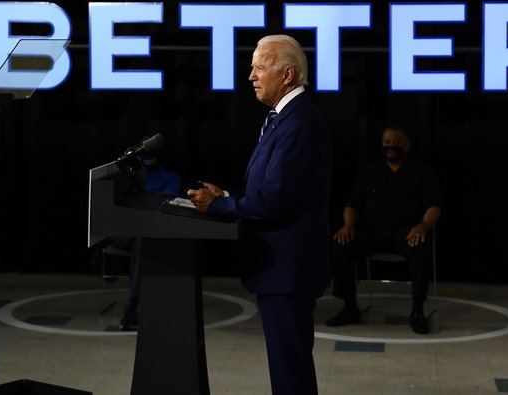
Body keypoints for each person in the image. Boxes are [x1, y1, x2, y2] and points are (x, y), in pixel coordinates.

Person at [188, 34, 331, 395]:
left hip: (287, 270)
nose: (251, 76)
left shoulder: (298, 123)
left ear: (287, 75)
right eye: (252, 67)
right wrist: (229, 195)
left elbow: (272, 202)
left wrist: (216, 206)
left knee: (290, 371)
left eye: (259, 68)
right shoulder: (285, 118)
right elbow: (272, 191)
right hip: (283, 268)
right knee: (290, 367)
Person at [325, 125, 442, 334]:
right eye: (386, 143)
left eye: (396, 144)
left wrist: (423, 226)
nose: (390, 148)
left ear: (406, 146)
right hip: (373, 231)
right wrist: (348, 225)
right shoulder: (370, 171)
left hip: (407, 232)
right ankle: (349, 307)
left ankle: (417, 311)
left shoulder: (421, 171)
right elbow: (352, 205)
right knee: (342, 243)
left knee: (422, 247)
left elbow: (434, 206)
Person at [90, 148, 181, 331]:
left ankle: (133, 303)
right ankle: (104, 262)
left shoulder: (171, 178)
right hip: (130, 229)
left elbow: (165, 208)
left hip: (154, 234)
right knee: (107, 230)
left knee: (142, 238)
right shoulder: (132, 177)